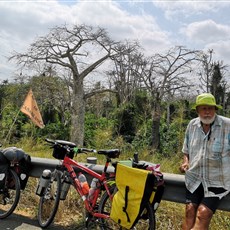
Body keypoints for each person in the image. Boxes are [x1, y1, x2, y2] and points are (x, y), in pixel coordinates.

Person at [180, 93, 230, 230]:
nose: (207, 112)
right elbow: (186, 150)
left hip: (217, 180)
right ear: (197, 110)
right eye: (203, 108)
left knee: (203, 213)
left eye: (210, 108)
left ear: (215, 109)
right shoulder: (192, 125)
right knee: (189, 211)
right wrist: (186, 162)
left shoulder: (227, 125)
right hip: (195, 178)